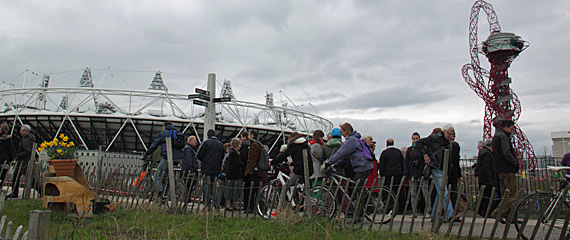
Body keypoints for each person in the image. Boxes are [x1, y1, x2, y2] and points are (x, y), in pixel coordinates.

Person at [323, 122, 373, 224]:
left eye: (342, 131)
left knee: (357, 191)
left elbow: (341, 153)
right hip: (363, 166)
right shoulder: (354, 139)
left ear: (346, 131)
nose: (341, 134)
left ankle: (357, 217)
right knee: (357, 188)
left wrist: (329, 163)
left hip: (362, 167)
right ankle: (359, 212)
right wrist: (337, 164)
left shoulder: (351, 141)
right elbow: (345, 156)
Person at [415, 124, 456, 222]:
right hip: (436, 167)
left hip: (444, 169)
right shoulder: (434, 138)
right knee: (444, 191)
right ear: (445, 132)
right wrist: (425, 155)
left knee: (440, 193)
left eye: (453, 134)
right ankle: (449, 214)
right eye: (450, 134)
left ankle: (433, 216)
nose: (451, 136)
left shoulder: (449, 143)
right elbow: (419, 143)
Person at [141, 121, 184, 196]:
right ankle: (172, 189)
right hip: (179, 158)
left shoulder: (164, 133)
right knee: (169, 175)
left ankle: (160, 192)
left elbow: (154, 145)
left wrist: (145, 155)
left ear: (164, 127)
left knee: (157, 175)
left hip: (168, 157)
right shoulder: (177, 133)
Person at [274, 132, 313, 208]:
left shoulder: (294, 145)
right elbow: (300, 158)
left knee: (285, 187)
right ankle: (302, 204)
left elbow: (283, 155)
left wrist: (273, 162)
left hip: (299, 170)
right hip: (309, 169)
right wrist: (293, 163)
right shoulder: (304, 145)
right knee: (304, 187)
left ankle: (279, 208)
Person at [490, 120, 519, 222]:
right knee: (512, 193)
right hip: (507, 169)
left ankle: (509, 215)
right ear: (506, 127)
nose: (512, 131)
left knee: (505, 193)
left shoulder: (497, 136)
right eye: (511, 128)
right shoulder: (503, 137)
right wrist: (514, 162)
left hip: (500, 169)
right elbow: (506, 152)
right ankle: (497, 212)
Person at [404, 132, 431, 215]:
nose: (415, 140)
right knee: (413, 193)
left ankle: (428, 210)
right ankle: (414, 211)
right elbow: (406, 161)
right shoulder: (409, 150)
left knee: (425, 192)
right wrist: (406, 172)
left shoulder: (423, 149)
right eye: (414, 139)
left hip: (422, 172)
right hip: (412, 172)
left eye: (416, 139)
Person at [197, 129, 224, 209]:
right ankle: (215, 203)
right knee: (213, 186)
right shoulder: (220, 144)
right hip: (216, 168)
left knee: (206, 186)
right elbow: (222, 156)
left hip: (206, 168)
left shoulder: (206, 143)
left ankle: (207, 203)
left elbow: (199, 155)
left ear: (208, 135)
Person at [8, 124, 37, 199]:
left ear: (25, 131)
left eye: (21, 130)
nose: (20, 132)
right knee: (28, 177)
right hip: (26, 161)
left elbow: (27, 150)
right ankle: (40, 189)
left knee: (17, 177)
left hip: (23, 162)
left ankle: (14, 193)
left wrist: (18, 155)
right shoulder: (30, 138)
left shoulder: (25, 139)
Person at [378, 138, 405, 213]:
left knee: (387, 191)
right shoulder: (398, 152)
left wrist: (382, 173)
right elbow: (402, 163)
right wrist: (402, 172)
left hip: (388, 174)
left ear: (386, 144)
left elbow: (382, 165)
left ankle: (388, 207)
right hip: (398, 173)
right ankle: (401, 208)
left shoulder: (384, 153)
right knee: (399, 190)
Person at [477, 139, 498, 217]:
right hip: (486, 179)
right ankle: (485, 211)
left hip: (483, 178)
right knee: (487, 196)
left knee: (484, 196)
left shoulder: (483, 151)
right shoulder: (487, 153)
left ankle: (482, 210)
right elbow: (487, 167)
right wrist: (489, 180)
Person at [243, 130, 263, 213]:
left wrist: (250, 170)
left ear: (252, 135)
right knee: (254, 190)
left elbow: (253, 159)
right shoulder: (259, 144)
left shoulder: (254, 145)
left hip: (253, 171)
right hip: (257, 171)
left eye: (249, 134)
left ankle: (250, 208)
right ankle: (254, 207)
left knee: (251, 190)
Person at [224, 138, 244, 211]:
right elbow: (237, 162)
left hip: (233, 174)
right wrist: (242, 164)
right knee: (231, 190)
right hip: (233, 174)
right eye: (239, 145)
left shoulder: (234, 152)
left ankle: (233, 204)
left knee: (233, 190)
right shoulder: (233, 152)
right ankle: (229, 205)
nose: (240, 146)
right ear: (236, 145)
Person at [448, 132, 462, 211]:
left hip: (450, 172)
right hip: (453, 172)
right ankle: (454, 211)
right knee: (453, 192)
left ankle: (451, 211)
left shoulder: (452, 146)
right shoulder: (455, 146)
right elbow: (457, 161)